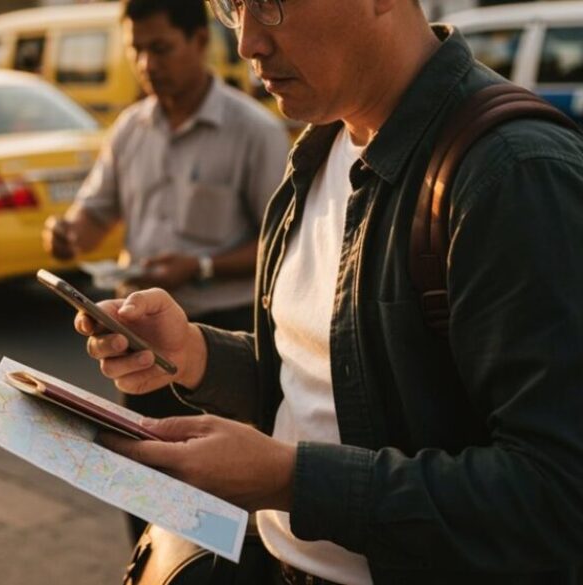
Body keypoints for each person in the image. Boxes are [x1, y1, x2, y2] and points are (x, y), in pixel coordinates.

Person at [77, 0, 583, 583]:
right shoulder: (321, 151)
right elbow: (331, 390)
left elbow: (556, 497)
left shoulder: (513, 173)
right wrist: (195, 354)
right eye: (232, 6)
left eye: (270, 5)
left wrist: (288, 480)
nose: (246, 43)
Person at [42, 0, 289, 543]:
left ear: (200, 42)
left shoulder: (253, 130)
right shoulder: (130, 129)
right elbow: (92, 215)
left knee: (220, 524)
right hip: (140, 342)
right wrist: (66, 233)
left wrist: (200, 266)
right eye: (136, 50)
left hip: (223, 346)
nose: (147, 64)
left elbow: (282, 243)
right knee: (144, 499)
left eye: (160, 48)